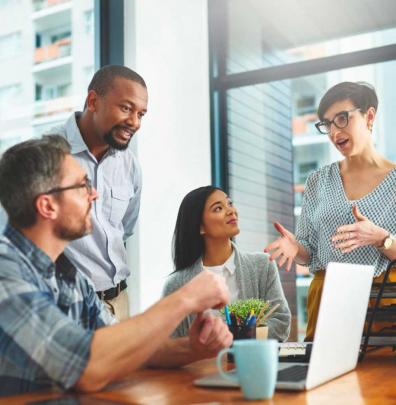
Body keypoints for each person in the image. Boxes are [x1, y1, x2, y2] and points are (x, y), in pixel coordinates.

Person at [0, 136, 233, 396]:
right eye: (82, 186)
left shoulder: (69, 273)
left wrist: (193, 349)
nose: (94, 194)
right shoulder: (5, 270)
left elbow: (124, 347)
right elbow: (86, 366)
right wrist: (185, 298)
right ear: (47, 205)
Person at [264, 81, 396, 341]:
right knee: (321, 378)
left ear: (369, 116)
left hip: (383, 303)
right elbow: (309, 252)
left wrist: (381, 238)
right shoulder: (317, 181)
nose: (335, 132)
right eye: (327, 124)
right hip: (328, 301)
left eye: (342, 119)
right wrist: (295, 249)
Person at [49, 65, 149, 321]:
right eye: (126, 108)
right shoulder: (47, 153)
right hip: (68, 306)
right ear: (93, 101)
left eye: (141, 114)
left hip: (119, 301)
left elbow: (124, 229)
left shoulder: (130, 164)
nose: (135, 123)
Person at [163, 186, 291, 341]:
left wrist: (237, 338)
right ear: (200, 227)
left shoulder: (262, 265)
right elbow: (171, 343)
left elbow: (281, 322)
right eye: (218, 208)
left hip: (251, 363)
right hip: (201, 366)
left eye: (230, 203)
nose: (231, 211)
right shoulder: (176, 284)